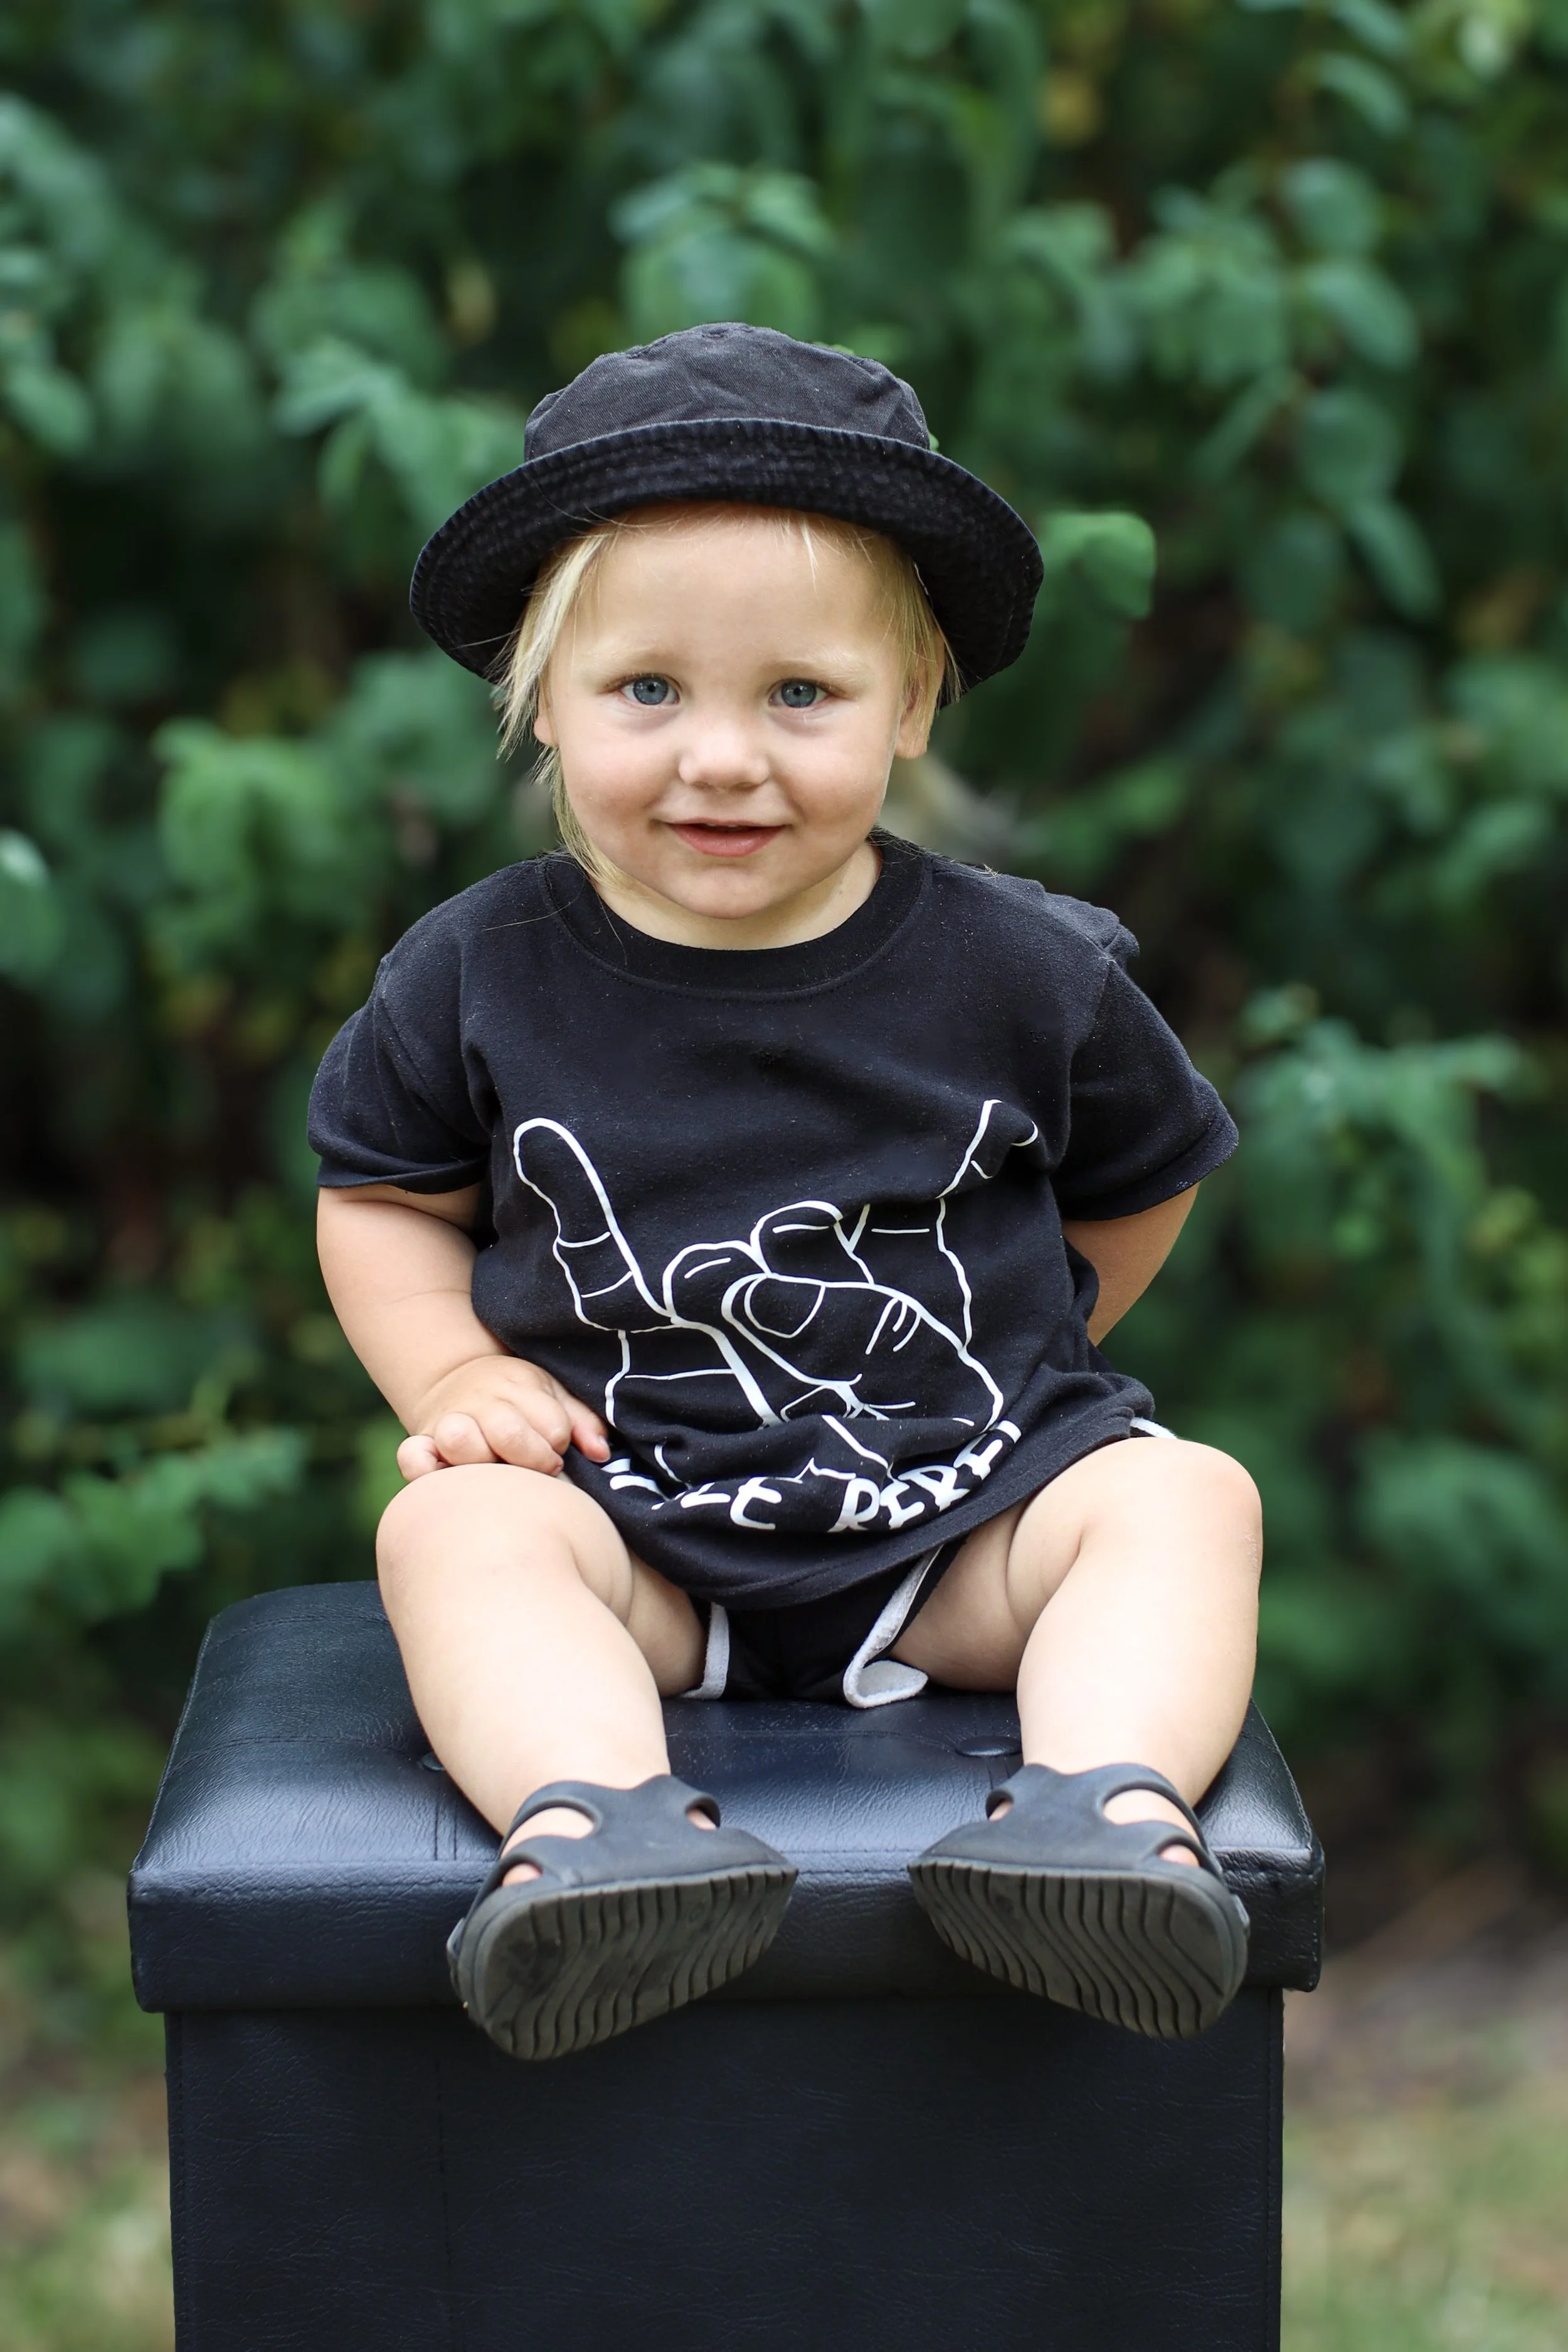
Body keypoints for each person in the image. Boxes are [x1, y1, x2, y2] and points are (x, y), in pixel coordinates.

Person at [309, 323, 1262, 2064]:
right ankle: (598, 1827)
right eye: (647, 690)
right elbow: (381, 1197)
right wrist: (453, 1376)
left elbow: (1144, 1177)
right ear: (543, 700)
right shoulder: (478, 970)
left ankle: (1098, 1814)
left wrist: (1037, 1342)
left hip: (962, 1530)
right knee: (450, 1531)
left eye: (800, 695)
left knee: (1182, 1497)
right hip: (631, 1534)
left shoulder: (1025, 971)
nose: (722, 756)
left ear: (911, 703)